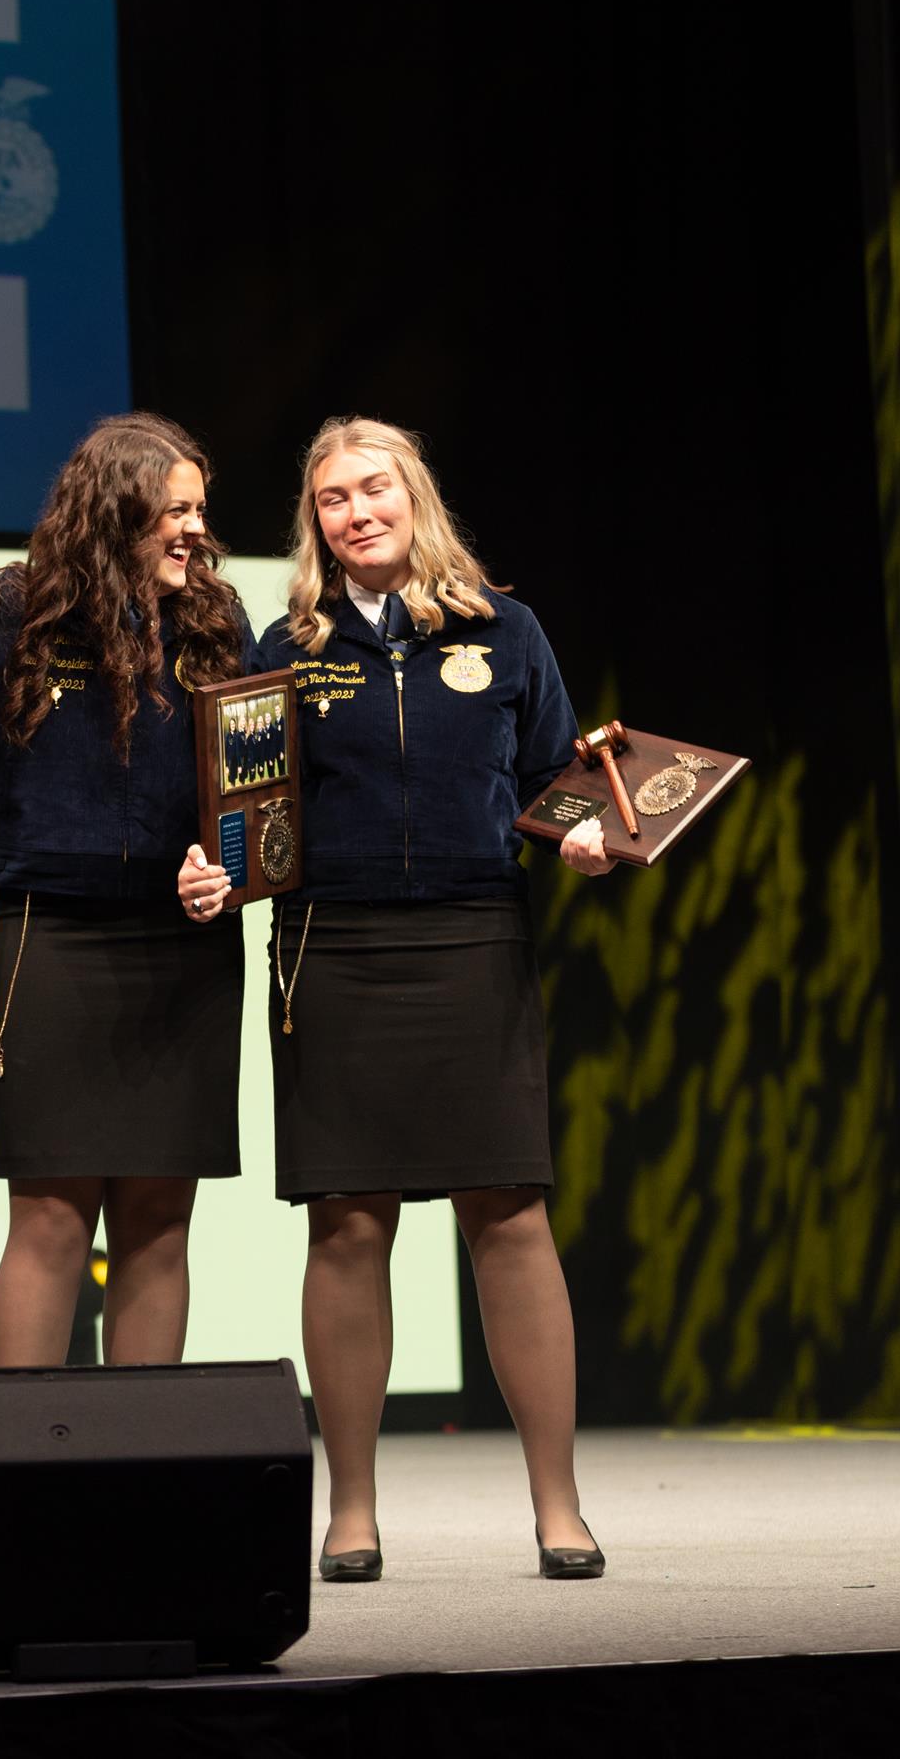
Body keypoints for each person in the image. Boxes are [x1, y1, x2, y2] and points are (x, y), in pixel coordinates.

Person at [253, 415, 614, 1584]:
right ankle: (351, 1511)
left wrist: (582, 836)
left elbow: (556, 777)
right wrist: (218, 864)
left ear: (415, 495)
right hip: (330, 948)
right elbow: (244, 801)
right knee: (347, 1223)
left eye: (373, 488)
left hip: (473, 939)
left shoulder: (505, 629)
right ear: (314, 522)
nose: (356, 512)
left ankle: (558, 1507)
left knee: (508, 1214)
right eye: (332, 499)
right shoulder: (285, 644)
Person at [0, 412, 251, 1367]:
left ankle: (140, 1450)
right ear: (115, 510)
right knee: (53, 1216)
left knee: (160, 1217)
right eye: (175, 511)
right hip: (48, 940)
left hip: (185, 950)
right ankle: (26, 1451)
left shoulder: (218, 621)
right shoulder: (7, 612)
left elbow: (250, 783)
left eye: (200, 510)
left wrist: (224, 864)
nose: (195, 530)